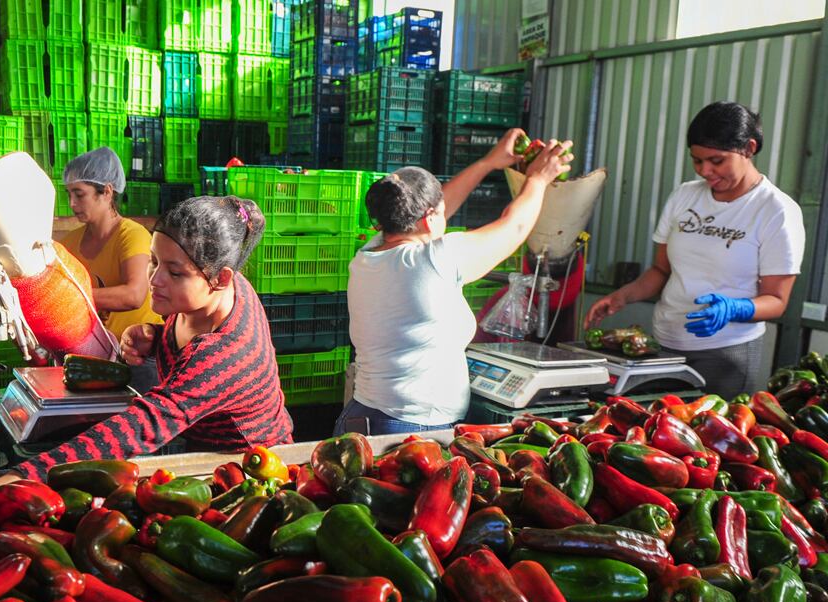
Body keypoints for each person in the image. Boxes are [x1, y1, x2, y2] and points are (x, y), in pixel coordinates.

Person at [0, 195, 294, 490]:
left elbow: (141, 426)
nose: (154, 280)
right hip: (210, 454)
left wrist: (23, 476)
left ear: (220, 278)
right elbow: (188, 347)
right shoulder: (214, 290)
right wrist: (156, 338)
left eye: (175, 273)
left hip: (252, 473)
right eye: (154, 261)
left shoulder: (225, 352)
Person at [336, 130, 573, 435]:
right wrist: (539, 179)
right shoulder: (434, 260)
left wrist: (488, 163)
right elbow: (514, 227)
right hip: (408, 431)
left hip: (363, 417)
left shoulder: (370, 254)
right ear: (430, 218)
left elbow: (427, 207)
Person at [585, 101, 805, 397]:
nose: (706, 171)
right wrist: (621, 296)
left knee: (711, 439)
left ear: (749, 148)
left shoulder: (775, 210)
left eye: (717, 160)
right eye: (697, 161)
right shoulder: (685, 196)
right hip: (664, 345)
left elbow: (777, 300)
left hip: (726, 353)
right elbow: (661, 271)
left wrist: (734, 309)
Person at [58, 147, 162, 341]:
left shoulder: (132, 236)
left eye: (79, 194)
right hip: (96, 351)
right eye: (69, 194)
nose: (72, 203)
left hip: (138, 351)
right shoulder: (70, 243)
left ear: (106, 192)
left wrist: (71, 297)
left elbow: (134, 295)